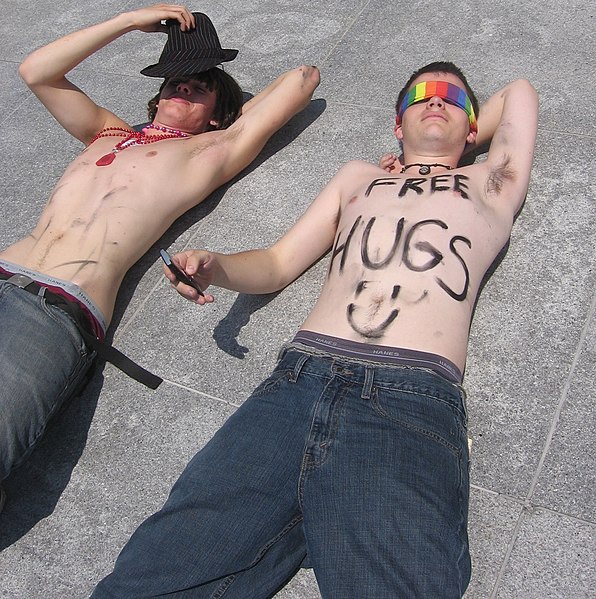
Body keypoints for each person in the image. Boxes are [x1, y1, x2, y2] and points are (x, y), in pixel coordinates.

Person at [92, 62, 538, 598]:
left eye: (452, 98)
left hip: (409, 395)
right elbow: (280, 262)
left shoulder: (490, 182)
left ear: (474, 128)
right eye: (421, 96)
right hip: (297, 383)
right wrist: (218, 266)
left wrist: (461, 137)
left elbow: (518, 92)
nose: (436, 101)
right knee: (161, 569)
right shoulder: (359, 178)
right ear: (397, 125)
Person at [0, 4, 320, 507]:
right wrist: (129, 22)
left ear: (217, 112)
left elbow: (304, 80)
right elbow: (36, 71)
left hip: (54, 308)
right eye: (176, 79)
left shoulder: (209, 150)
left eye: (199, 85)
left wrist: (207, 57)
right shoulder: (106, 131)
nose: (184, 85)